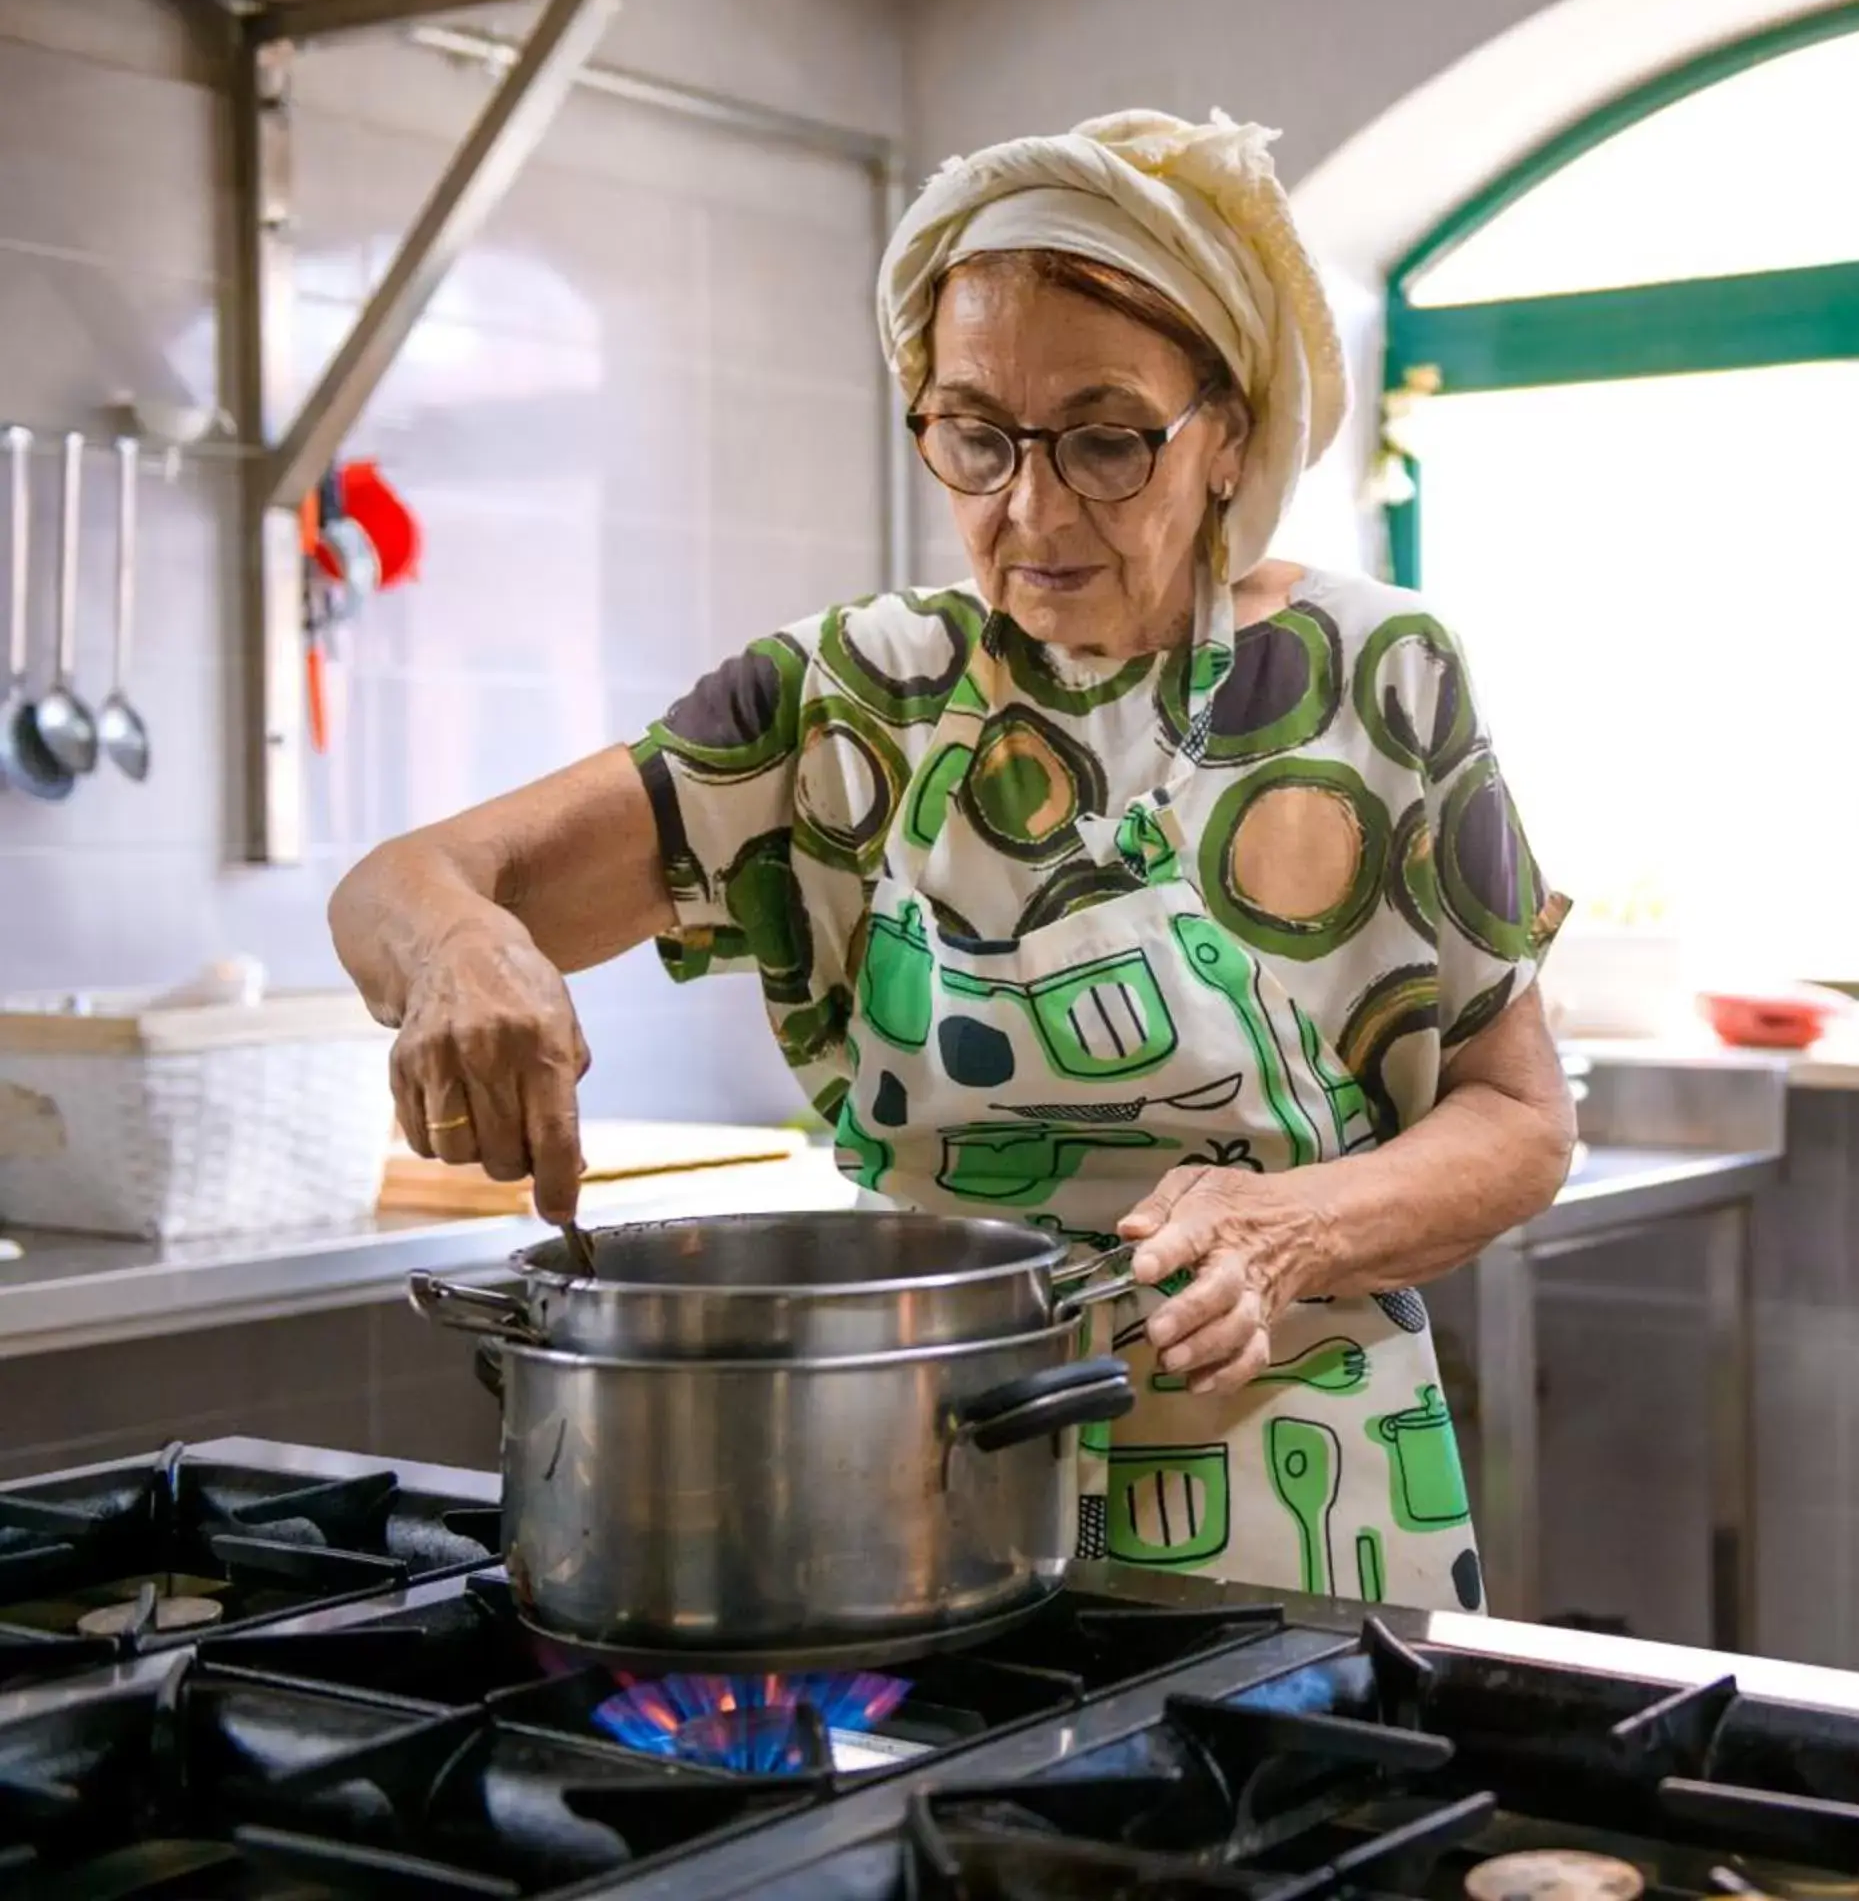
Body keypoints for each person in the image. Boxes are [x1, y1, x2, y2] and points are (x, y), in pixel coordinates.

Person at [328, 110, 1573, 1612]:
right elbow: (406, 879)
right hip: (906, 1503)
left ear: (1226, 433)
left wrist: (1293, 1225)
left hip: (1297, 1507)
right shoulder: (851, 699)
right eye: (976, 434)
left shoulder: (1379, 676)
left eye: (1107, 440)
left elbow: (1519, 1120)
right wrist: (466, 949)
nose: (1029, 511)